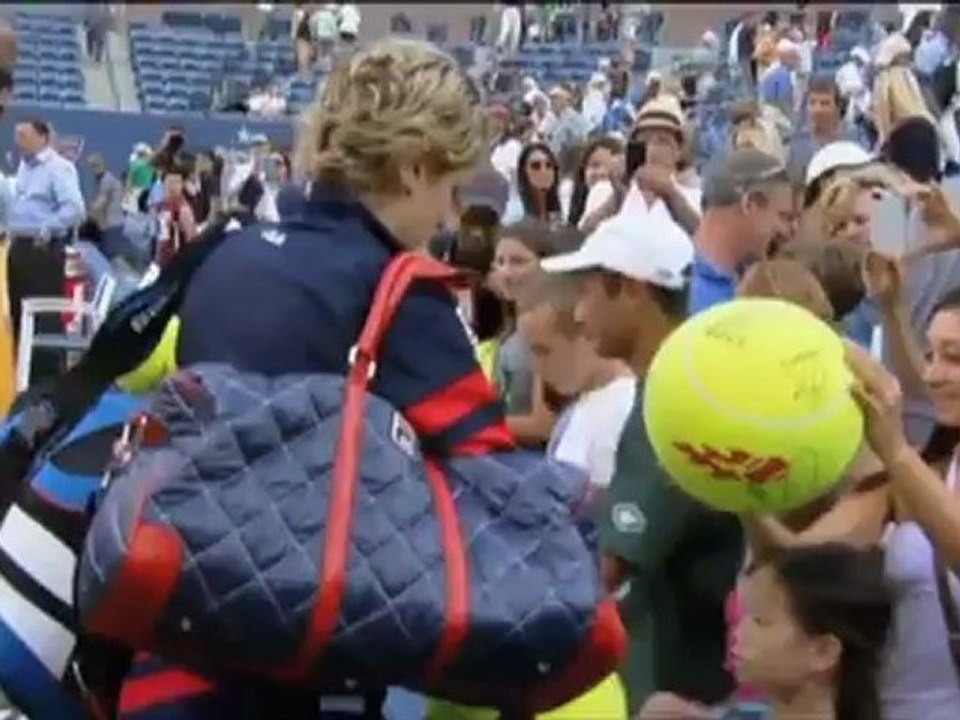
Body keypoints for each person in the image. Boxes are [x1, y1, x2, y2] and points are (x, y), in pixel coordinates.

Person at [117, 37, 515, 720]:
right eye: (452, 188)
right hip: (293, 662)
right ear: (416, 168)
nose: (450, 216)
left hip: (170, 641)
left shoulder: (230, 253)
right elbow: (492, 489)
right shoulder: (401, 295)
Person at [542, 214, 743, 716]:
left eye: (589, 294)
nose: (581, 315)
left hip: (681, 686)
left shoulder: (671, 401)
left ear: (629, 290)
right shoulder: (684, 385)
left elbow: (607, 566)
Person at [6, 118, 85, 382]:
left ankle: (46, 378)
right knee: (19, 311)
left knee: (44, 315)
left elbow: (75, 209)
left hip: (43, 249)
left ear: (42, 137)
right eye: (17, 135)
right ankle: (23, 373)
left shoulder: (59, 169)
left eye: (24, 135)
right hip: (19, 246)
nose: (19, 141)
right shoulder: (24, 168)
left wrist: (46, 228)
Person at [689, 149, 796, 314]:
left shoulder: (764, 287)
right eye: (783, 217)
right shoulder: (675, 285)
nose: (788, 231)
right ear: (750, 204)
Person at [86, 153, 124, 230]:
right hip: (107, 222)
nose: (92, 169)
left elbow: (101, 201)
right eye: (91, 166)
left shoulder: (107, 179)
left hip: (112, 223)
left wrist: (86, 214)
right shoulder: (99, 179)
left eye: (94, 165)